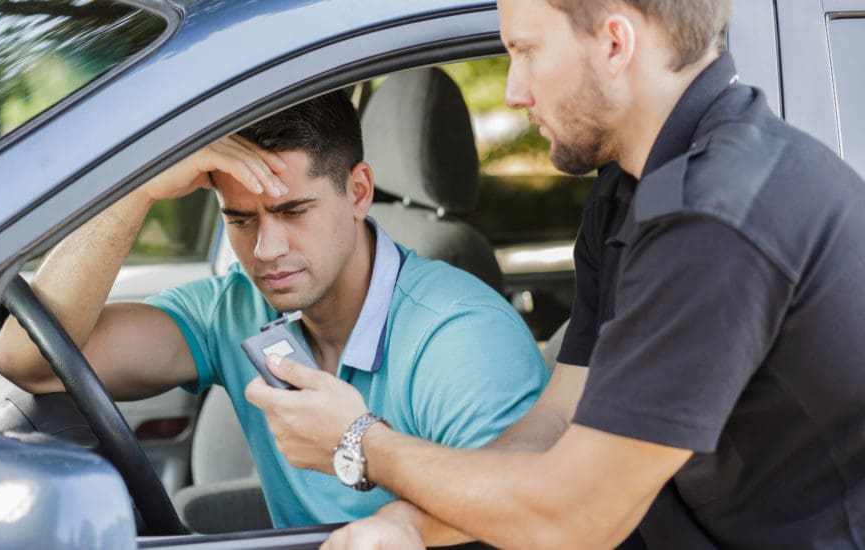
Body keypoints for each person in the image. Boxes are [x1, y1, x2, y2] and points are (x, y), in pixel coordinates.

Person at [244, 0, 865, 547]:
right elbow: (555, 425)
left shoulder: (718, 216)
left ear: (616, 44)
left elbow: (575, 518)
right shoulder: (628, 193)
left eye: (525, 51)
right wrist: (409, 523)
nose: (514, 90)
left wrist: (360, 442)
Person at [0, 90, 549, 528]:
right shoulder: (234, 306)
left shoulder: (459, 333)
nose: (265, 251)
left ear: (358, 193)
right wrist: (136, 188)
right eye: (241, 220)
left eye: (294, 211)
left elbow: (527, 518)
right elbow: (31, 362)